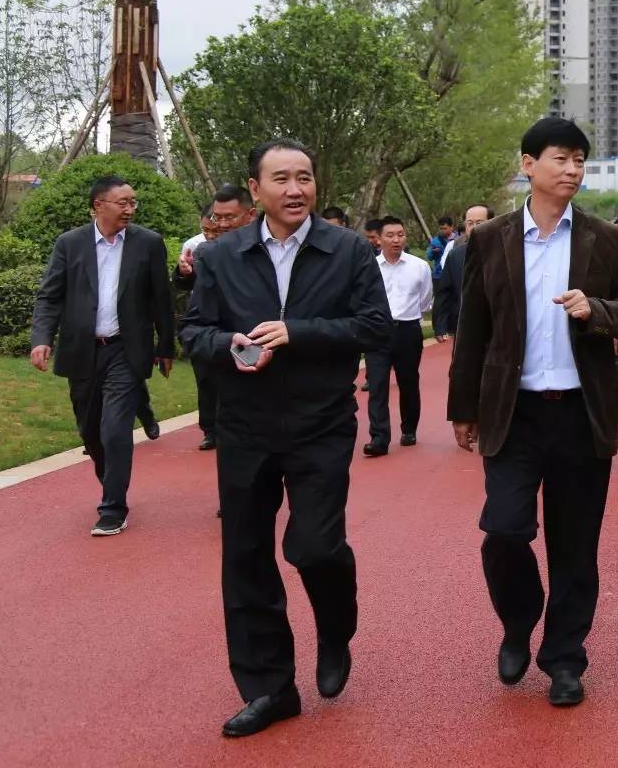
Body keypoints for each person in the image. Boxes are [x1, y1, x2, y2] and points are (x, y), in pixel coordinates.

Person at [180, 139, 391, 739]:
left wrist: (296, 333)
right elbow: (193, 331)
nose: (295, 189)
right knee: (245, 558)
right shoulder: (221, 258)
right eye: (281, 179)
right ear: (254, 190)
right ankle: (270, 688)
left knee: (314, 547)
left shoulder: (347, 249)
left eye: (304, 177)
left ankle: (334, 627)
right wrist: (229, 347)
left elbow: (375, 327)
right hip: (244, 426)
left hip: (320, 423)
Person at [447, 117, 618, 708]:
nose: (573, 170)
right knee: (504, 531)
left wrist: (597, 311)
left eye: (581, 160)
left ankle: (564, 658)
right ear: (528, 164)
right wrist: (464, 407)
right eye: (561, 158)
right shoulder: (489, 240)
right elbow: (473, 330)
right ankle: (518, 620)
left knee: (575, 546)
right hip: (515, 412)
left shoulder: (607, 240)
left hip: (581, 415)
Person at [29, 176, 175, 537]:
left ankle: (112, 506)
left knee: (114, 430)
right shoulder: (70, 244)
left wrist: (165, 346)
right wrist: (41, 338)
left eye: (133, 202)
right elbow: (50, 296)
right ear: (98, 205)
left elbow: (161, 299)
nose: (129, 209)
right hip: (83, 350)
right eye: (122, 202)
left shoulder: (148, 244)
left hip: (126, 349)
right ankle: (113, 475)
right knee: (90, 431)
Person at [175, 186, 256, 452]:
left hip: (251, 336)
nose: (220, 224)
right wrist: (185, 274)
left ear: (250, 215)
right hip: (212, 335)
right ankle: (211, 429)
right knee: (207, 382)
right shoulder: (204, 251)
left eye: (228, 217)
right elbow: (188, 287)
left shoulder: (263, 248)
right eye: (216, 218)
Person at [363, 216, 432, 455]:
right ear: (379, 239)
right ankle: (379, 438)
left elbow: (425, 300)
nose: (396, 240)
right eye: (390, 235)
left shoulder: (419, 266)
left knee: (408, 382)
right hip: (378, 331)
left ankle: (409, 429)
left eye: (400, 234)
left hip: (408, 331)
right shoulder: (369, 267)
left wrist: (411, 315)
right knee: (377, 385)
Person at [432, 204, 493, 341]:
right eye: (470, 223)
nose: (474, 227)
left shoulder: (505, 251)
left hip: (498, 328)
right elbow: (444, 293)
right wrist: (440, 325)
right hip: (464, 326)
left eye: (479, 223)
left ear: (492, 223)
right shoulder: (455, 255)